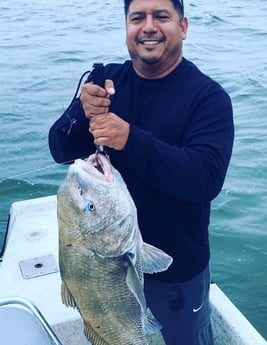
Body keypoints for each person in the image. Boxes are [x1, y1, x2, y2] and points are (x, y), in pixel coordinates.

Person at [49, 0, 234, 344]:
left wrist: (130, 139)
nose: (148, 26)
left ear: (184, 26)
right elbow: (60, 149)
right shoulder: (106, 83)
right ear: (126, 30)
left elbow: (205, 179)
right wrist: (82, 114)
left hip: (176, 275)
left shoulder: (208, 98)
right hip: (104, 266)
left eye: (161, 16)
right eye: (137, 18)